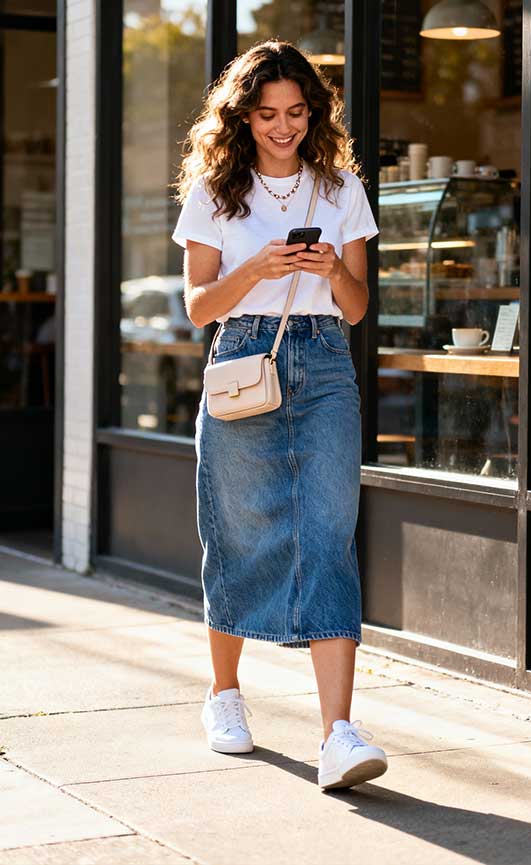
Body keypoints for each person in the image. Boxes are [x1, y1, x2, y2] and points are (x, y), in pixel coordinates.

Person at [172, 40, 387, 791]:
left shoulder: (341, 190)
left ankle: (338, 732)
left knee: (330, 531)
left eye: (296, 112)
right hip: (241, 359)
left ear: (313, 114)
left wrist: (333, 271)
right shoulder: (215, 192)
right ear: (242, 117)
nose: (283, 127)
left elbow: (358, 308)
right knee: (235, 528)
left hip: (325, 364)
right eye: (267, 114)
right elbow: (198, 306)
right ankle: (225, 695)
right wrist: (256, 269)